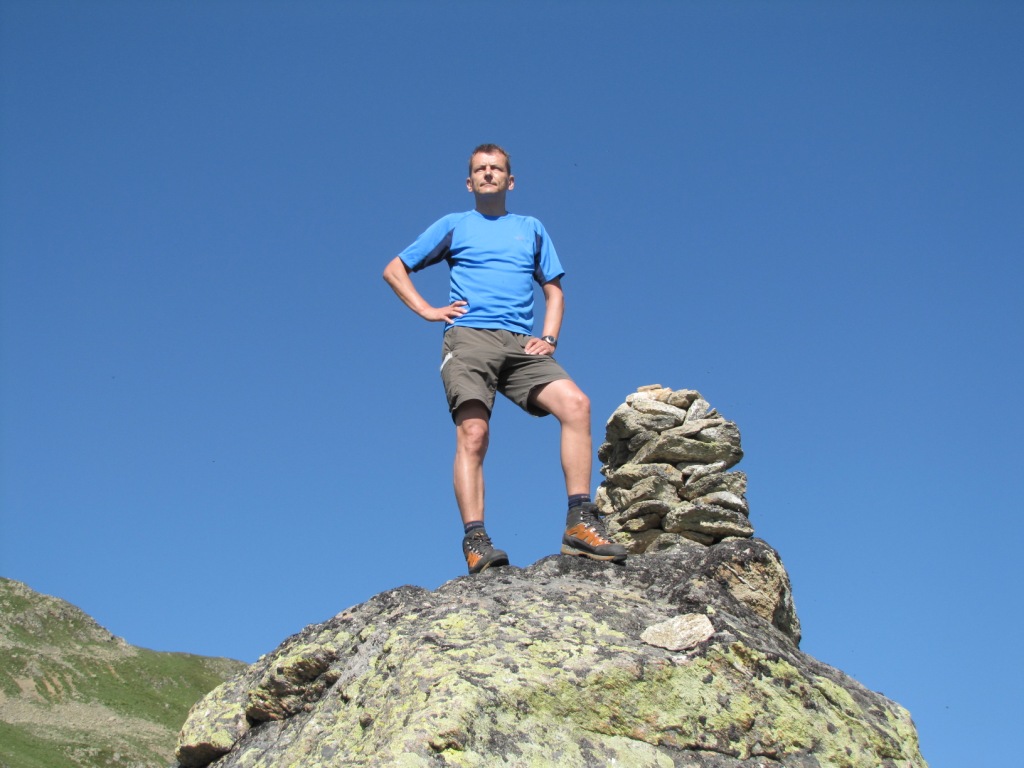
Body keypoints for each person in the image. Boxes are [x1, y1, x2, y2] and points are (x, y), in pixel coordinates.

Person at [383, 144, 627, 574]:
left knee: (576, 404)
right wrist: (428, 310)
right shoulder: (454, 225)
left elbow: (554, 291)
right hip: (469, 338)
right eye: (480, 169)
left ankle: (579, 521)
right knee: (474, 433)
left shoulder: (531, 228)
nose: (488, 174)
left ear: (510, 181)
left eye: (496, 168)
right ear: (469, 182)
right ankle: (476, 541)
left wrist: (548, 338)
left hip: (521, 344)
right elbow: (395, 268)